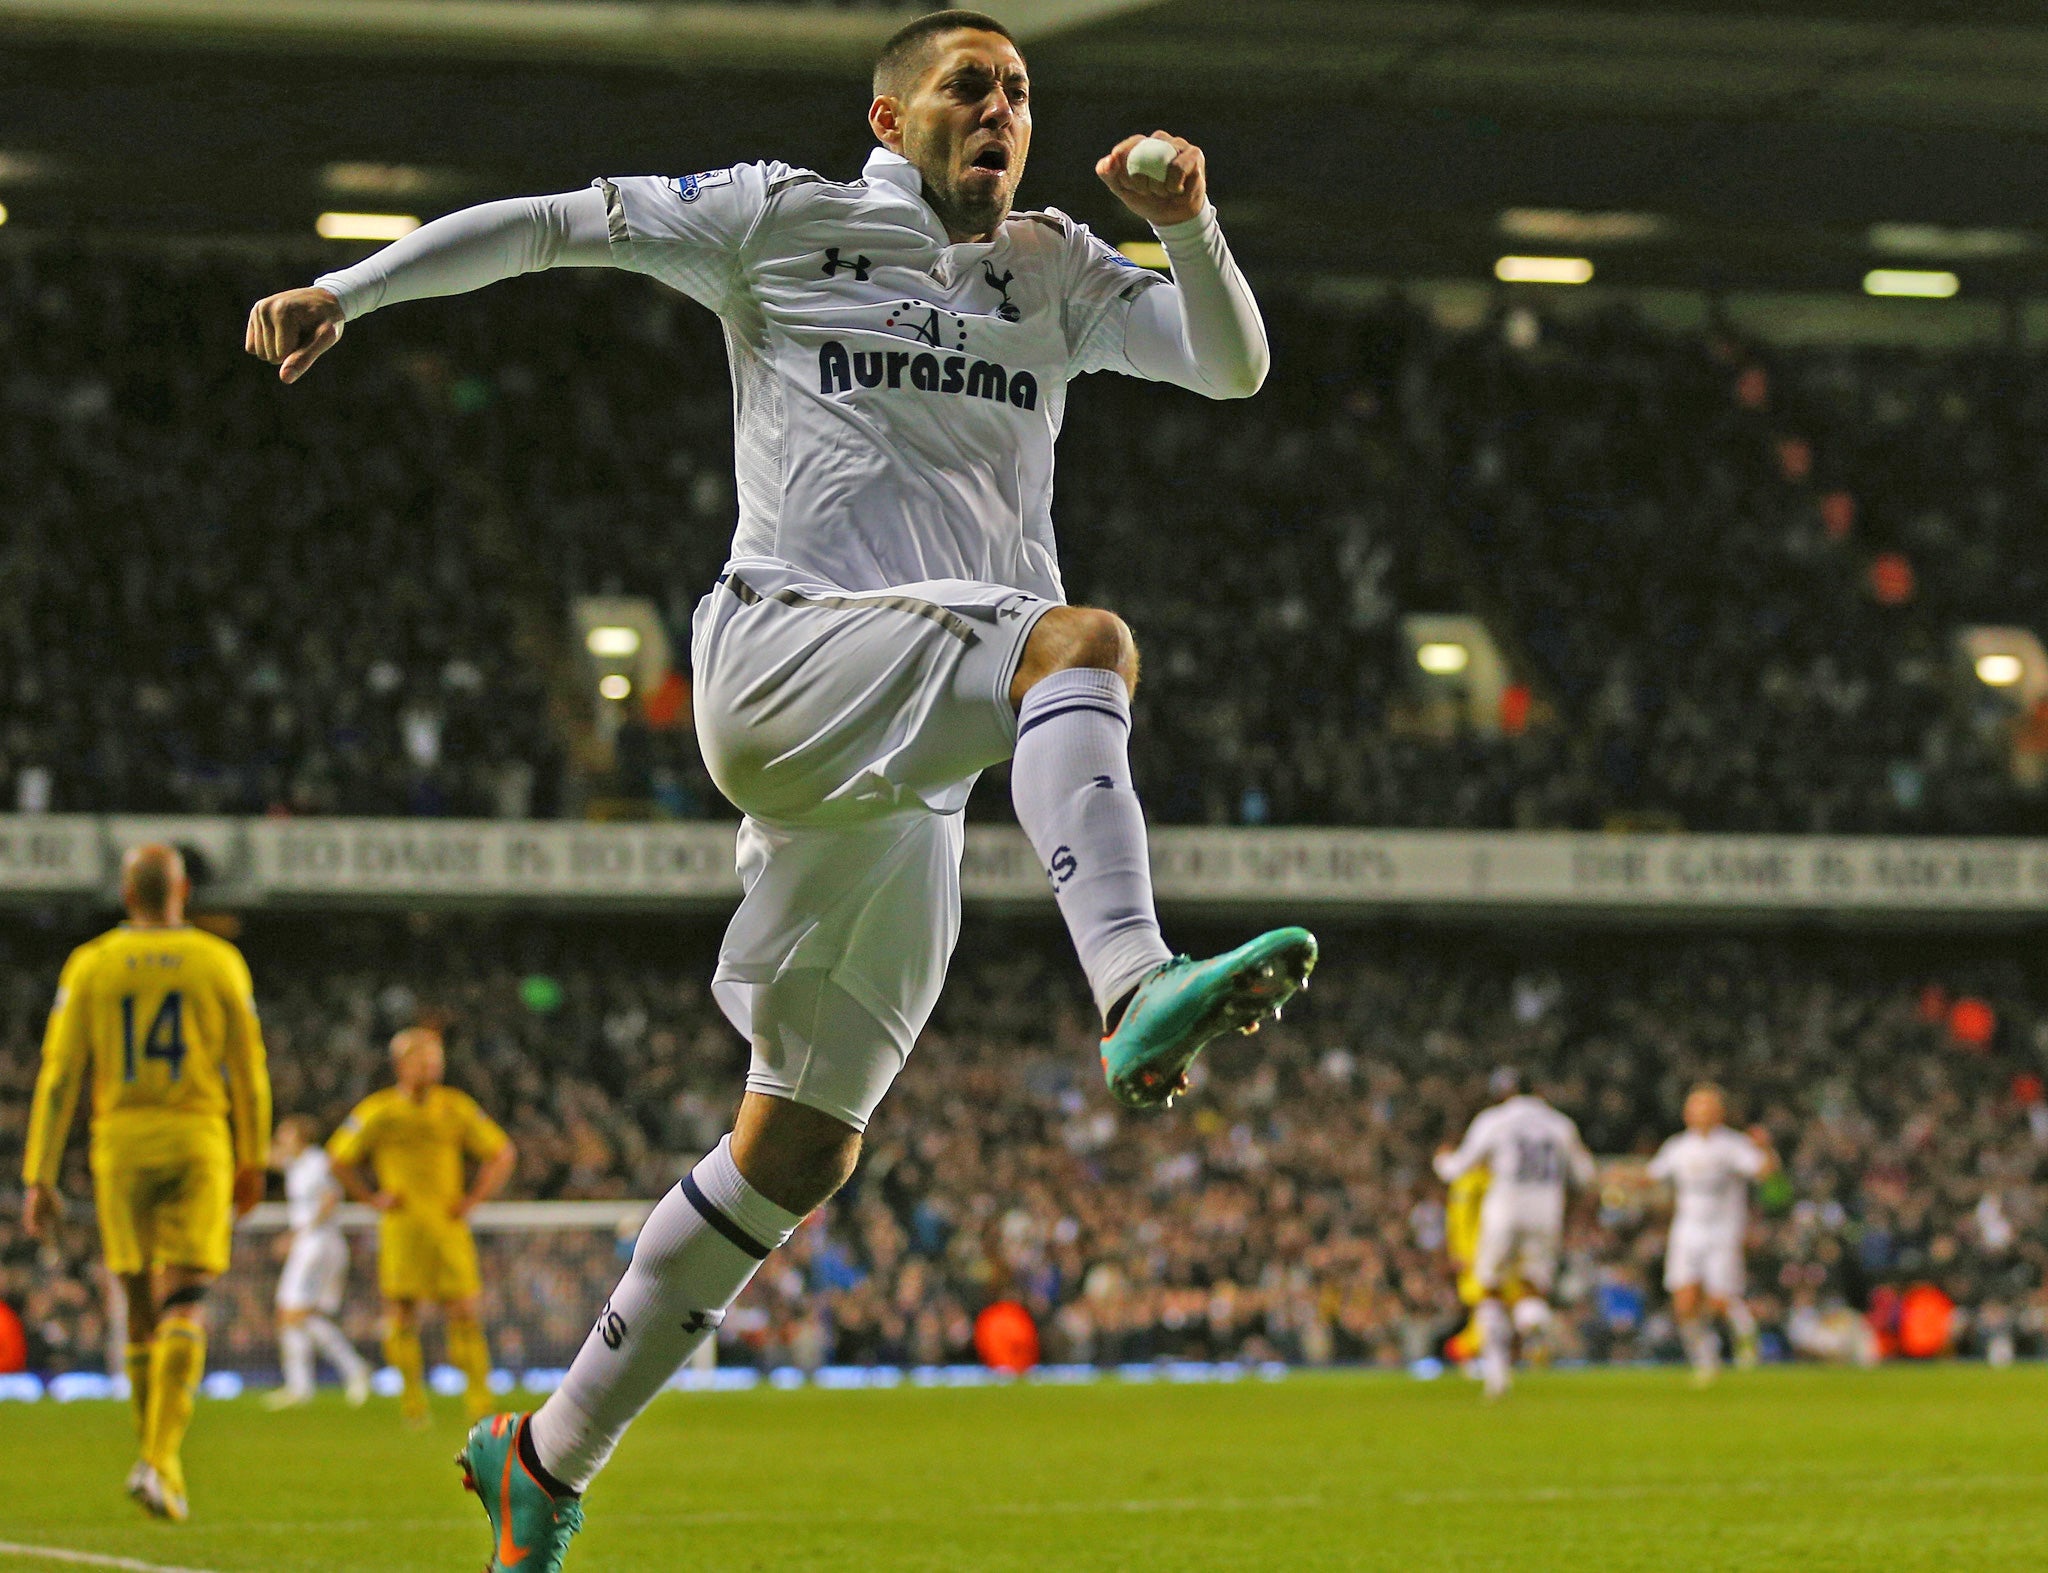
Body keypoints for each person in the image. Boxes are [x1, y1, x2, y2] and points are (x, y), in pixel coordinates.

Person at [247, 9, 1314, 1565]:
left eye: (1019, 90)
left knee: (801, 1143)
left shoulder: (1060, 267)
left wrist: (1190, 227)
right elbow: (551, 229)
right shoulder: (778, 219)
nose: (1001, 109)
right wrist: (350, 287)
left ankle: (543, 1456)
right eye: (970, 85)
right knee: (1078, 641)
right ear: (890, 120)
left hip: (910, 764)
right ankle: (1136, 975)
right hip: (784, 660)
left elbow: (1231, 366)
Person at [20, 844, 272, 1522]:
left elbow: (59, 1072)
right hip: (196, 1136)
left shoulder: (92, 962)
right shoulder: (218, 960)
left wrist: (37, 1174)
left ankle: (156, 1459)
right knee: (184, 1299)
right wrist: (254, 1156)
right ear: (182, 889)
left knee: (136, 1300)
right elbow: (248, 1069)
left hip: (121, 1141)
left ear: (127, 893)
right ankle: (160, 1458)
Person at [327, 1027, 516, 1427]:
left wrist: (473, 1199)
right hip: (402, 1227)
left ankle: (479, 1400)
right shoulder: (377, 1111)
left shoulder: (456, 1106)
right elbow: (337, 1158)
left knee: (464, 1310)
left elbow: (502, 1152)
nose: (433, 1066)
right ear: (401, 1064)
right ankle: (413, 1401)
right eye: (423, 1059)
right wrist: (372, 1198)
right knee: (401, 1313)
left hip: (447, 1224)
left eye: (436, 1059)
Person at [1433, 1069, 1596, 1399]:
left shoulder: (1494, 1120)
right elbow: (1586, 1175)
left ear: (1503, 1093)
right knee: (1532, 1288)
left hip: (1504, 1210)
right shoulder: (1560, 1124)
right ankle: (1535, 1323)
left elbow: (1456, 1170)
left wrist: (1442, 1159)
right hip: (1546, 1212)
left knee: (1489, 1289)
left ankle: (1497, 1375)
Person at [1646, 1083, 1776, 1385]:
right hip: (1686, 1230)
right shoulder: (1677, 1147)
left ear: (1719, 1112)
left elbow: (1763, 1172)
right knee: (1684, 1302)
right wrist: (1617, 1177)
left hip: (1723, 1231)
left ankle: (1744, 1327)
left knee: (1718, 1301)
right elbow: (1652, 1175)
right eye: (1694, 1105)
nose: (1698, 1111)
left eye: (1705, 1105)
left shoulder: (1732, 1145)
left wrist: (1765, 1147)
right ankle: (1705, 1361)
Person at [265, 1114, 372, 1409]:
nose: (280, 1138)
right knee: (292, 1314)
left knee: (295, 1314)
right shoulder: (296, 1163)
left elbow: (330, 1199)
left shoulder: (316, 1162)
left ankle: (351, 1369)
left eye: (285, 1133)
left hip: (319, 1244)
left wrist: (298, 1234)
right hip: (309, 1244)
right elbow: (265, 1158)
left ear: (301, 1136)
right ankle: (300, 1386)